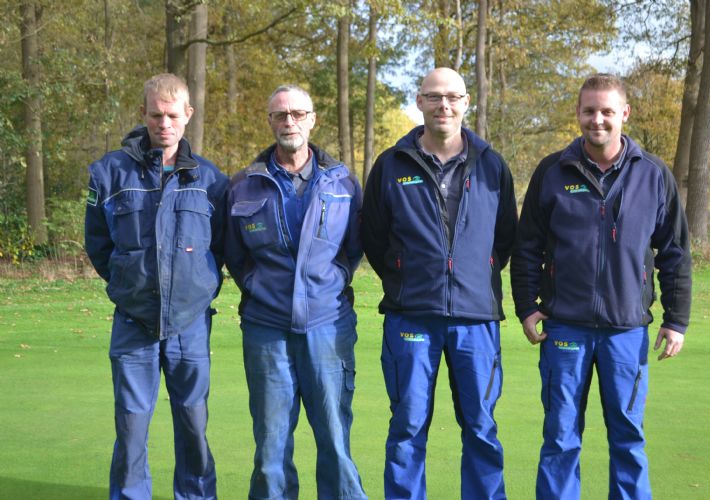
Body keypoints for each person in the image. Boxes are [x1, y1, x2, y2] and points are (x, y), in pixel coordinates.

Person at [510, 73, 692, 499]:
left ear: (624, 113)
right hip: (565, 329)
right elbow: (527, 246)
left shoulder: (653, 175)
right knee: (560, 437)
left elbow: (675, 253)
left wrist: (676, 319)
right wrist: (526, 305)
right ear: (578, 114)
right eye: (589, 110)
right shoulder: (552, 172)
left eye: (608, 111)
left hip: (627, 331)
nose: (598, 120)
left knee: (628, 438)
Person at [361, 67, 517, 500]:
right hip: (411, 316)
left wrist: (470, 274)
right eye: (433, 97)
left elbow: (505, 238)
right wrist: (406, 277)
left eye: (452, 97)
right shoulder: (391, 165)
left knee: (481, 427)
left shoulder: (492, 165)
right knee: (408, 427)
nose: (443, 105)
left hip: (476, 320)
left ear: (467, 102)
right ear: (420, 102)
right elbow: (374, 237)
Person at [85, 73, 227, 499]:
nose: (163, 123)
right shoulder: (109, 173)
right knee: (130, 427)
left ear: (188, 114)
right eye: (155, 114)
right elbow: (98, 244)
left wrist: (196, 286)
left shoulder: (211, 179)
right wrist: (129, 284)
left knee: (193, 425)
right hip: (134, 321)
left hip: (190, 323)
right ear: (143, 114)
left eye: (171, 114)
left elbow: (218, 248)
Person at [224, 85, 367, 500]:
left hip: (328, 325)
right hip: (266, 329)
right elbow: (235, 254)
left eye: (298, 114)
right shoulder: (244, 186)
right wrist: (256, 287)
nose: (290, 121)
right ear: (270, 122)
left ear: (312, 120)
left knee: (335, 440)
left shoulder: (342, 183)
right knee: (271, 444)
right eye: (281, 115)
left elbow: (354, 248)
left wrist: (334, 280)